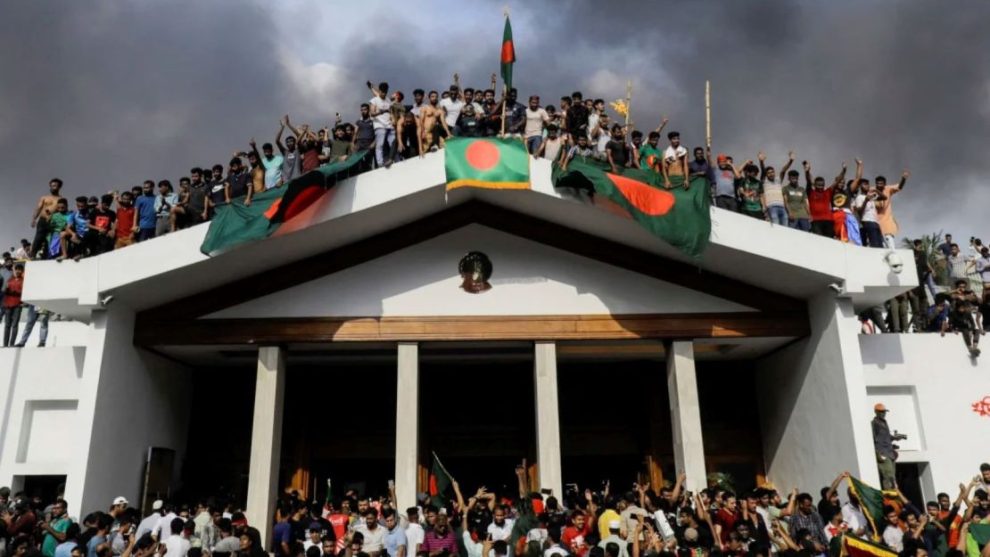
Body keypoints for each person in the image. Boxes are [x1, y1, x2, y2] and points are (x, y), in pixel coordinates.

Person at [872, 403, 906, 489]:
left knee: (892, 476)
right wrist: (877, 454)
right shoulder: (874, 423)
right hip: (883, 453)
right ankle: (889, 494)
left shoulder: (884, 423)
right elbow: (872, 439)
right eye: (881, 412)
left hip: (890, 453)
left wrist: (896, 438)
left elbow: (886, 437)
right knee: (888, 475)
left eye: (884, 412)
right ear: (876, 412)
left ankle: (894, 492)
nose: (883, 413)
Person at [30, 178, 65, 259]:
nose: (53, 187)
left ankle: (46, 256)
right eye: (52, 186)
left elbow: (63, 211)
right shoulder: (44, 197)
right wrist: (34, 218)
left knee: (49, 239)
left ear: (59, 187)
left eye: (55, 186)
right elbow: (38, 208)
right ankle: (33, 255)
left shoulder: (61, 199)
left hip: (53, 221)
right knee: (39, 237)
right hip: (42, 220)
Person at [758, 151, 794, 226]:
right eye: (769, 173)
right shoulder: (765, 181)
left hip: (782, 207)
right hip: (771, 207)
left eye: (772, 172)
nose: (771, 174)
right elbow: (763, 171)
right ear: (766, 175)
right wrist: (761, 161)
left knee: (785, 228)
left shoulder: (778, 180)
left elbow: (783, 170)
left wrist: (790, 161)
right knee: (776, 226)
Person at [875, 171, 909, 248]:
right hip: (875, 219)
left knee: (889, 236)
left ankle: (893, 253)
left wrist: (903, 179)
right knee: (880, 240)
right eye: (877, 183)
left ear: (884, 184)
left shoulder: (888, 189)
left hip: (887, 219)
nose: (879, 185)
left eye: (881, 183)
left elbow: (899, 187)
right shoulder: (872, 190)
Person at [368, 81, 397, 168]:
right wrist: (381, 112)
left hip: (389, 125)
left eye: (385, 92)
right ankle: (380, 163)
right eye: (382, 92)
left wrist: (393, 119)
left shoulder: (388, 99)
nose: (384, 94)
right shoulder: (374, 100)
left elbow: (391, 112)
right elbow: (371, 114)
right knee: (380, 144)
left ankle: (395, 160)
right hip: (379, 125)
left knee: (393, 143)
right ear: (380, 91)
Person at [2, 264, 24, 347]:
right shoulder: (9, 280)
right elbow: (4, 290)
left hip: (18, 305)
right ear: (14, 270)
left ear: (22, 271)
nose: (18, 271)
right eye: (16, 269)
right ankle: (5, 344)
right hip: (8, 304)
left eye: (20, 269)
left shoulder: (23, 281)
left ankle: (12, 344)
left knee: (15, 325)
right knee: (7, 325)